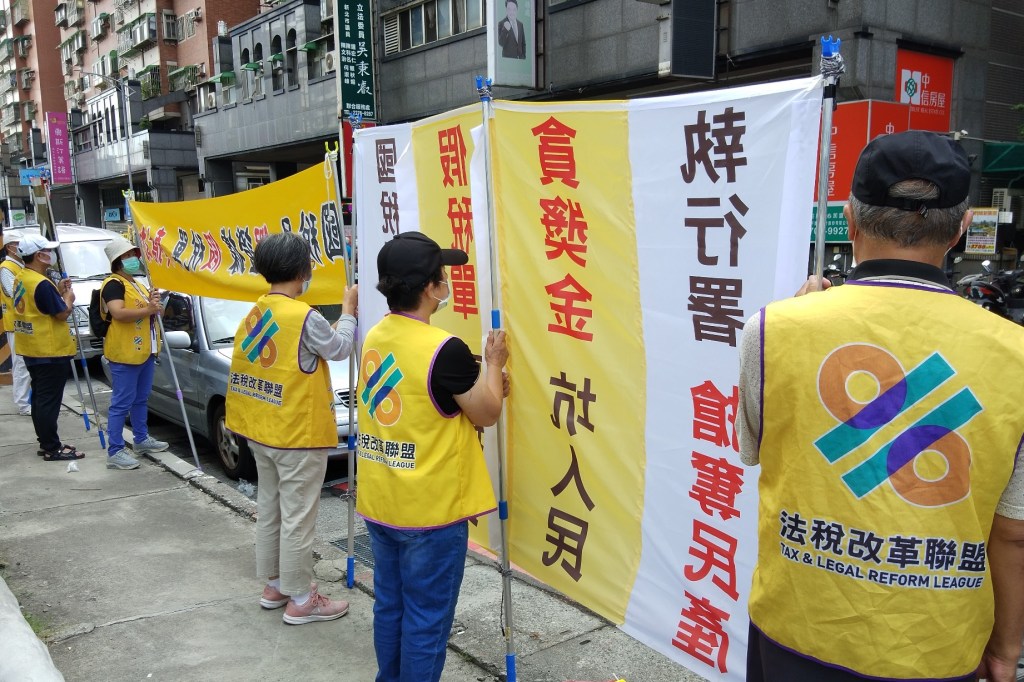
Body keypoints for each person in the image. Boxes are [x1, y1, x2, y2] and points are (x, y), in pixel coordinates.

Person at [738, 130, 1024, 682]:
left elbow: (756, 449)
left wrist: (800, 323)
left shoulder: (771, 330)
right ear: (962, 228)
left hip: (799, 628)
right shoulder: (1016, 354)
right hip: (938, 644)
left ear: (850, 219)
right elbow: (1013, 532)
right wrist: (1005, 648)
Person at [357, 231, 509, 682]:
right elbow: (486, 411)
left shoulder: (375, 336)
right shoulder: (445, 349)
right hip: (431, 511)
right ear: (430, 288)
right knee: (426, 620)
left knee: (391, 607)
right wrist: (494, 364)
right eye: (443, 275)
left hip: (381, 500)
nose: (447, 282)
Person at [225, 231, 357, 625]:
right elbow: (339, 348)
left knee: (271, 510)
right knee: (298, 517)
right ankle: (301, 599)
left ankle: (276, 586)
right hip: (298, 434)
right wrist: (349, 312)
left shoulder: (257, 311)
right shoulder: (304, 316)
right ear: (303, 271)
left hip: (262, 430)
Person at [12, 233, 84, 461]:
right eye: (47, 251)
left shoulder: (23, 277)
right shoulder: (40, 283)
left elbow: (41, 305)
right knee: (48, 401)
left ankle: (47, 443)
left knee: (40, 398)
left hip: (32, 347)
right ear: (39, 255)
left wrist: (58, 290)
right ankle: (52, 447)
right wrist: (68, 297)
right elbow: (62, 313)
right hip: (49, 349)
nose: (51, 254)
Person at [100, 236, 168, 471]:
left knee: (141, 398)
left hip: (145, 351)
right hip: (124, 353)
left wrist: (155, 306)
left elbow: (152, 312)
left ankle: (141, 438)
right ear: (118, 261)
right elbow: (118, 313)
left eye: (133, 255)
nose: (133, 259)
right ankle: (115, 451)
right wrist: (149, 309)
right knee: (121, 403)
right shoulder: (113, 284)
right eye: (127, 256)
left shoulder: (137, 283)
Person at [1, 229, 31, 416]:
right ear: (9, 248)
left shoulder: (21, 266)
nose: (20, 248)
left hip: (25, 323)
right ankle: (23, 403)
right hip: (16, 323)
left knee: (26, 364)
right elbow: (14, 294)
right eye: (17, 244)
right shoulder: (6, 268)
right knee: (21, 364)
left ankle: (27, 400)